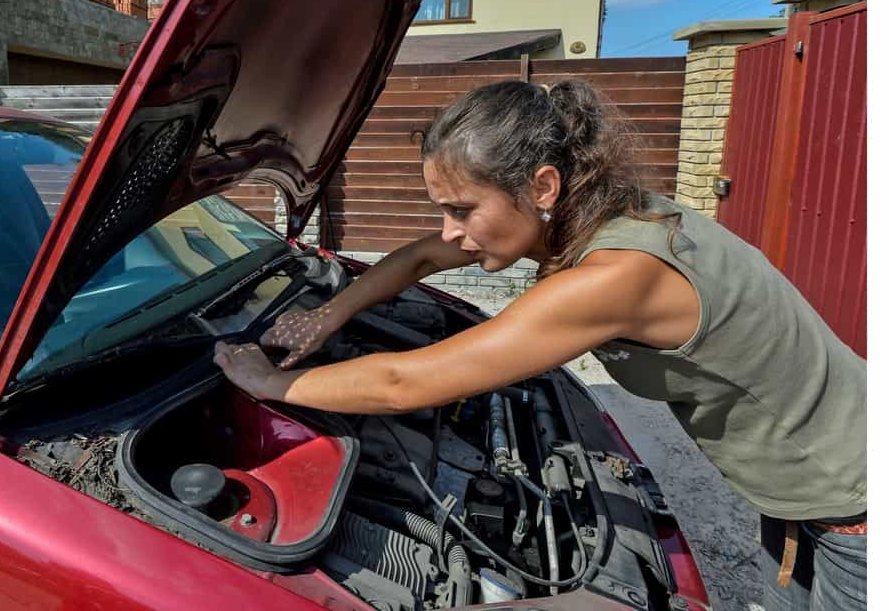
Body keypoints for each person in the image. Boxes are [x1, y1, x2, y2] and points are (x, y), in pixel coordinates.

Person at [213, 80, 866, 610]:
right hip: (805, 500)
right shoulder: (601, 211)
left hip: (856, 512)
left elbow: (403, 384)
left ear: (544, 187)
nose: (452, 231)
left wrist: (271, 384)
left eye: (462, 210)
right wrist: (327, 315)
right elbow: (417, 258)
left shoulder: (615, 276)